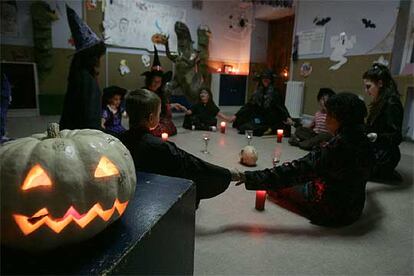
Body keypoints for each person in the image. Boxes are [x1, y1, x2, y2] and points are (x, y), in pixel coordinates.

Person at [234, 93, 374, 227]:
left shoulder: (338, 147)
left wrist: (249, 177)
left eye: (329, 115)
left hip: (332, 211)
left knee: (279, 185)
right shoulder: (364, 140)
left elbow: (297, 170)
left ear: (340, 118)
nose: (325, 120)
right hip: (354, 209)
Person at [120, 89, 239, 205]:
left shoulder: (119, 141)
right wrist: (227, 174)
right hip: (154, 198)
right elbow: (195, 166)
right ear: (151, 118)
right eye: (159, 113)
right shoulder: (161, 148)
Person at [60, 5, 105, 130]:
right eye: (99, 56)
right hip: (81, 135)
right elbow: (90, 119)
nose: (100, 61)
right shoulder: (86, 81)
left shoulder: (79, 74)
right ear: (92, 58)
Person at [363, 63, 404, 181]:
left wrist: (376, 136)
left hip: (385, 155)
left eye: (368, 86)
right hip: (375, 148)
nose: (366, 91)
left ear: (380, 83)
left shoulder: (392, 103)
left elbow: (396, 136)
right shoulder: (379, 101)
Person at [232, 69, 293, 136]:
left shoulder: (275, 92)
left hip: (270, 119)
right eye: (264, 79)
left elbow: (281, 107)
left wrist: (287, 117)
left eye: (267, 79)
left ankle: (268, 129)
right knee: (240, 123)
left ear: (271, 80)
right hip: (260, 117)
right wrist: (236, 115)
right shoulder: (258, 91)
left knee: (249, 129)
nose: (265, 81)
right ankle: (264, 128)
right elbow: (249, 105)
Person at [142, 46, 187, 137]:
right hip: (146, 120)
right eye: (154, 81)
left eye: (159, 82)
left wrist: (173, 105)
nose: (156, 84)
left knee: (169, 128)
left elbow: (162, 106)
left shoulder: (161, 93)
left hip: (158, 119)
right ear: (150, 80)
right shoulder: (143, 92)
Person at [1, 73, 12, 144]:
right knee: (1, 115)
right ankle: (1, 135)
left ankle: (2, 134)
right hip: (3, 95)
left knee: (2, 116)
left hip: (4, 95)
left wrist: (9, 95)